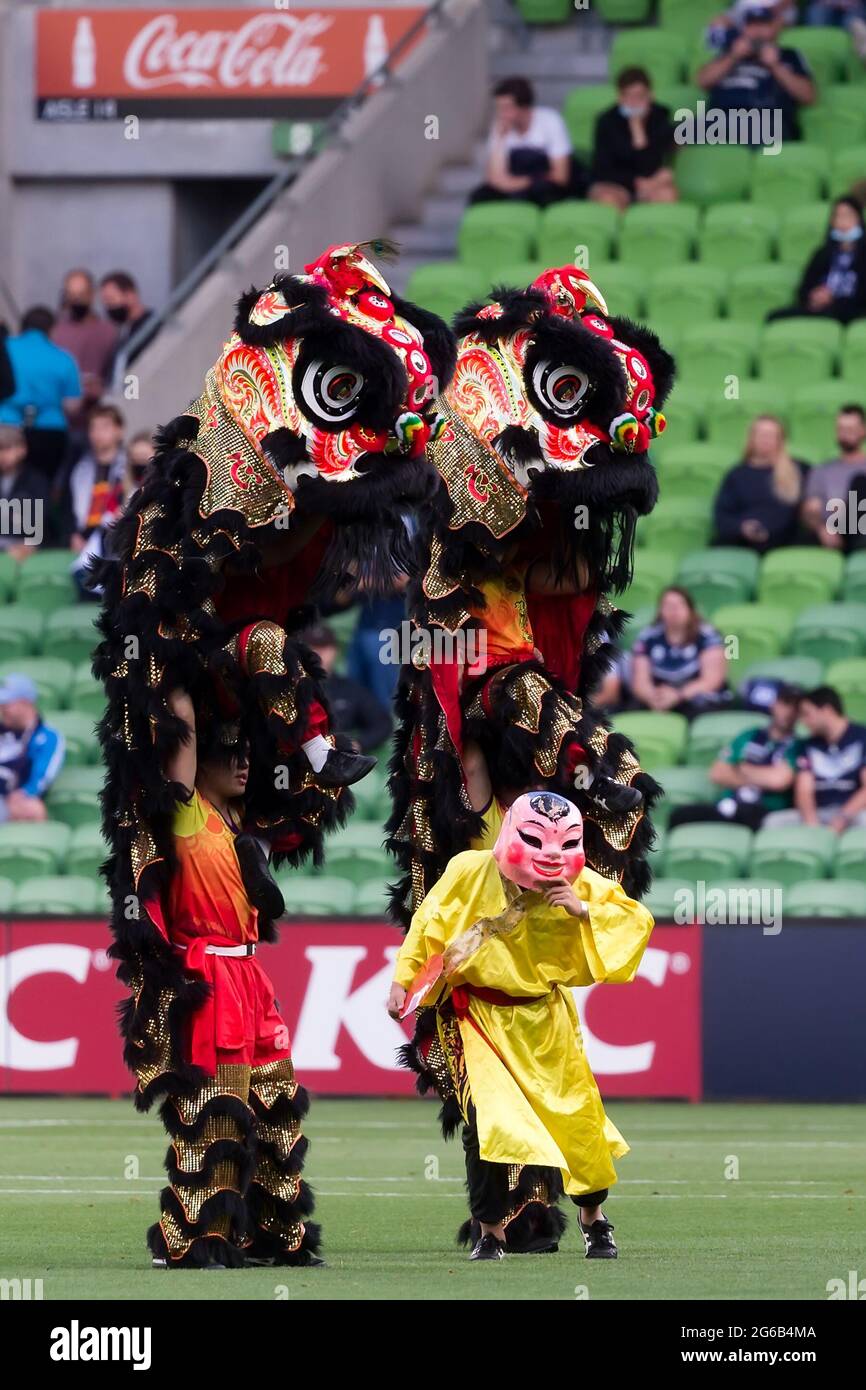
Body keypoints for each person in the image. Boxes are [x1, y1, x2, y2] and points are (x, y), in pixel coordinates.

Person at [388, 788, 653, 1261]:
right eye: (535, 839)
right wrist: (402, 982)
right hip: (479, 1018)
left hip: (545, 1020)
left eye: (566, 843)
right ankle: (490, 1231)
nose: (551, 856)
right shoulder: (468, 870)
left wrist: (583, 910)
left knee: (577, 1123)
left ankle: (594, 1219)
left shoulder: (581, 886)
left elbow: (636, 922)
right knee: (484, 1121)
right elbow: (429, 924)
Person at [146, 688, 322, 1269]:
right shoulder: (187, 809)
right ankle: (203, 1237)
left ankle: (270, 1236)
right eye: (230, 752)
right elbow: (183, 726)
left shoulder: (239, 819)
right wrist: (182, 665)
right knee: (217, 1107)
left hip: (250, 974)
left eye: (247, 751)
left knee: (275, 1105)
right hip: (209, 972)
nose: (243, 761)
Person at [668, 686, 801, 831]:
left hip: (763, 810)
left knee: (746, 813)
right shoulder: (750, 735)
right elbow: (717, 773)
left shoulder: (798, 745)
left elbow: (779, 781)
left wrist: (742, 768)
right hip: (728, 804)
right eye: (786, 703)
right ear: (774, 704)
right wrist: (764, 776)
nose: (789, 712)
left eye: (796, 707)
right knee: (680, 815)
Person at [697, 4, 817, 146]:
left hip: (765, 120)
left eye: (763, 24)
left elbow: (808, 96)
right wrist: (733, 57)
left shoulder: (789, 56)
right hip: (721, 118)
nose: (757, 31)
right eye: (751, 25)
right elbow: (702, 81)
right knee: (679, 133)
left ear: (775, 28)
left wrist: (776, 66)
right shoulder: (728, 53)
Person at [763, 687, 866, 829]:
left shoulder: (862, 737)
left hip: (853, 812)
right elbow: (804, 790)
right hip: (819, 813)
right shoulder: (809, 744)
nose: (803, 721)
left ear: (827, 710)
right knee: (774, 822)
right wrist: (812, 825)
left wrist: (842, 818)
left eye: (807, 714)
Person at [470, 76, 579, 208]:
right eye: (499, 108)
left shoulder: (551, 121)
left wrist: (519, 182)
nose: (501, 114)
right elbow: (493, 178)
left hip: (542, 187)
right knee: (480, 196)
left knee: (543, 192)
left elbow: (560, 176)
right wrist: (500, 140)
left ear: (524, 108)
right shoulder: (499, 127)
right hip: (515, 185)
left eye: (506, 108)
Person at [0, 306, 81, 481]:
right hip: (50, 430)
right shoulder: (63, 357)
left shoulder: (5, 349)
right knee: (43, 485)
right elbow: (72, 405)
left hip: (7, 426)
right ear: (52, 330)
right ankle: (36, 509)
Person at [630, 587, 731, 719]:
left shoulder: (708, 635)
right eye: (668, 605)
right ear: (660, 611)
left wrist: (678, 695)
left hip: (697, 698)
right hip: (659, 699)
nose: (674, 610)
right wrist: (653, 697)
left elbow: (712, 680)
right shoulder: (648, 636)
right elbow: (640, 680)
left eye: (679, 605)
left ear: (690, 609)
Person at [713, 415, 807, 552]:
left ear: (780, 440)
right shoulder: (737, 475)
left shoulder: (799, 469)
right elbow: (722, 516)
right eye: (761, 435)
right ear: (752, 438)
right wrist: (742, 527)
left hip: (785, 544)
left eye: (770, 435)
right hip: (742, 544)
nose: (765, 440)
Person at [589, 68, 677, 212]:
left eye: (640, 96)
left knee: (667, 194)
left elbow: (652, 165)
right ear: (620, 98)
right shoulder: (606, 121)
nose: (634, 102)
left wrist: (638, 133)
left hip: (649, 182)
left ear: (650, 96)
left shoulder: (660, 117)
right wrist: (635, 182)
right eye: (629, 97)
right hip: (615, 183)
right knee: (608, 200)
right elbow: (602, 169)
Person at [768, 198, 866, 326]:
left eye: (847, 216)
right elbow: (804, 289)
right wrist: (815, 296)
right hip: (820, 309)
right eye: (838, 216)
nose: (843, 222)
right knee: (775, 317)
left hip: (851, 310)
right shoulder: (822, 254)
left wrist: (834, 299)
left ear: (858, 220)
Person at [304, 623, 392, 753]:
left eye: (324, 648)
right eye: (313, 648)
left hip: (335, 757)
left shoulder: (350, 690)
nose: (318, 654)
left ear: (335, 651)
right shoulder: (286, 687)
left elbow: (383, 723)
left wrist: (357, 744)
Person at [51, 269, 117, 431]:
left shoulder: (109, 332)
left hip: (97, 417)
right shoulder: (55, 331)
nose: (76, 299)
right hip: (63, 418)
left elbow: (123, 375)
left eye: (81, 294)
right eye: (72, 294)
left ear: (91, 294)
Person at [62, 402, 128, 553]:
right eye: (93, 427)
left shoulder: (129, 468)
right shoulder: (78, 469)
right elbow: (67, 508)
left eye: (105, 427)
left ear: (119, 431)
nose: (98, 433)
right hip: (81, 541)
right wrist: (72, 535)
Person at [0, 674, 65, 824]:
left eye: (6, 704)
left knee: (34, 809)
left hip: (10, 799)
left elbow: (42, 776)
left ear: (25, 703)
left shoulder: (48, 737)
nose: (2, 709)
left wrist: (25, 792)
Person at [801, 403, 866, 550]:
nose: (845, 434)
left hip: (861, 528)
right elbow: (811, 509)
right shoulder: (822, 470)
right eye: (841, 429)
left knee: (860, 483)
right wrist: (821, 529)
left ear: (863, 430)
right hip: (831, 533)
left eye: (850, 429)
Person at [0, 423, 51, 559]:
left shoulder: (36, 481)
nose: (2, 455)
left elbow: (38, 524)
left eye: (7, 448)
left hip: (25, 546)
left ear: (22, 449)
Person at [100, 270, 156, 372]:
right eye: (105, 302)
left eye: (111, 299)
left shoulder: (151, 327)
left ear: (130, 295)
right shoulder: (124, 330)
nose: (108, 307)